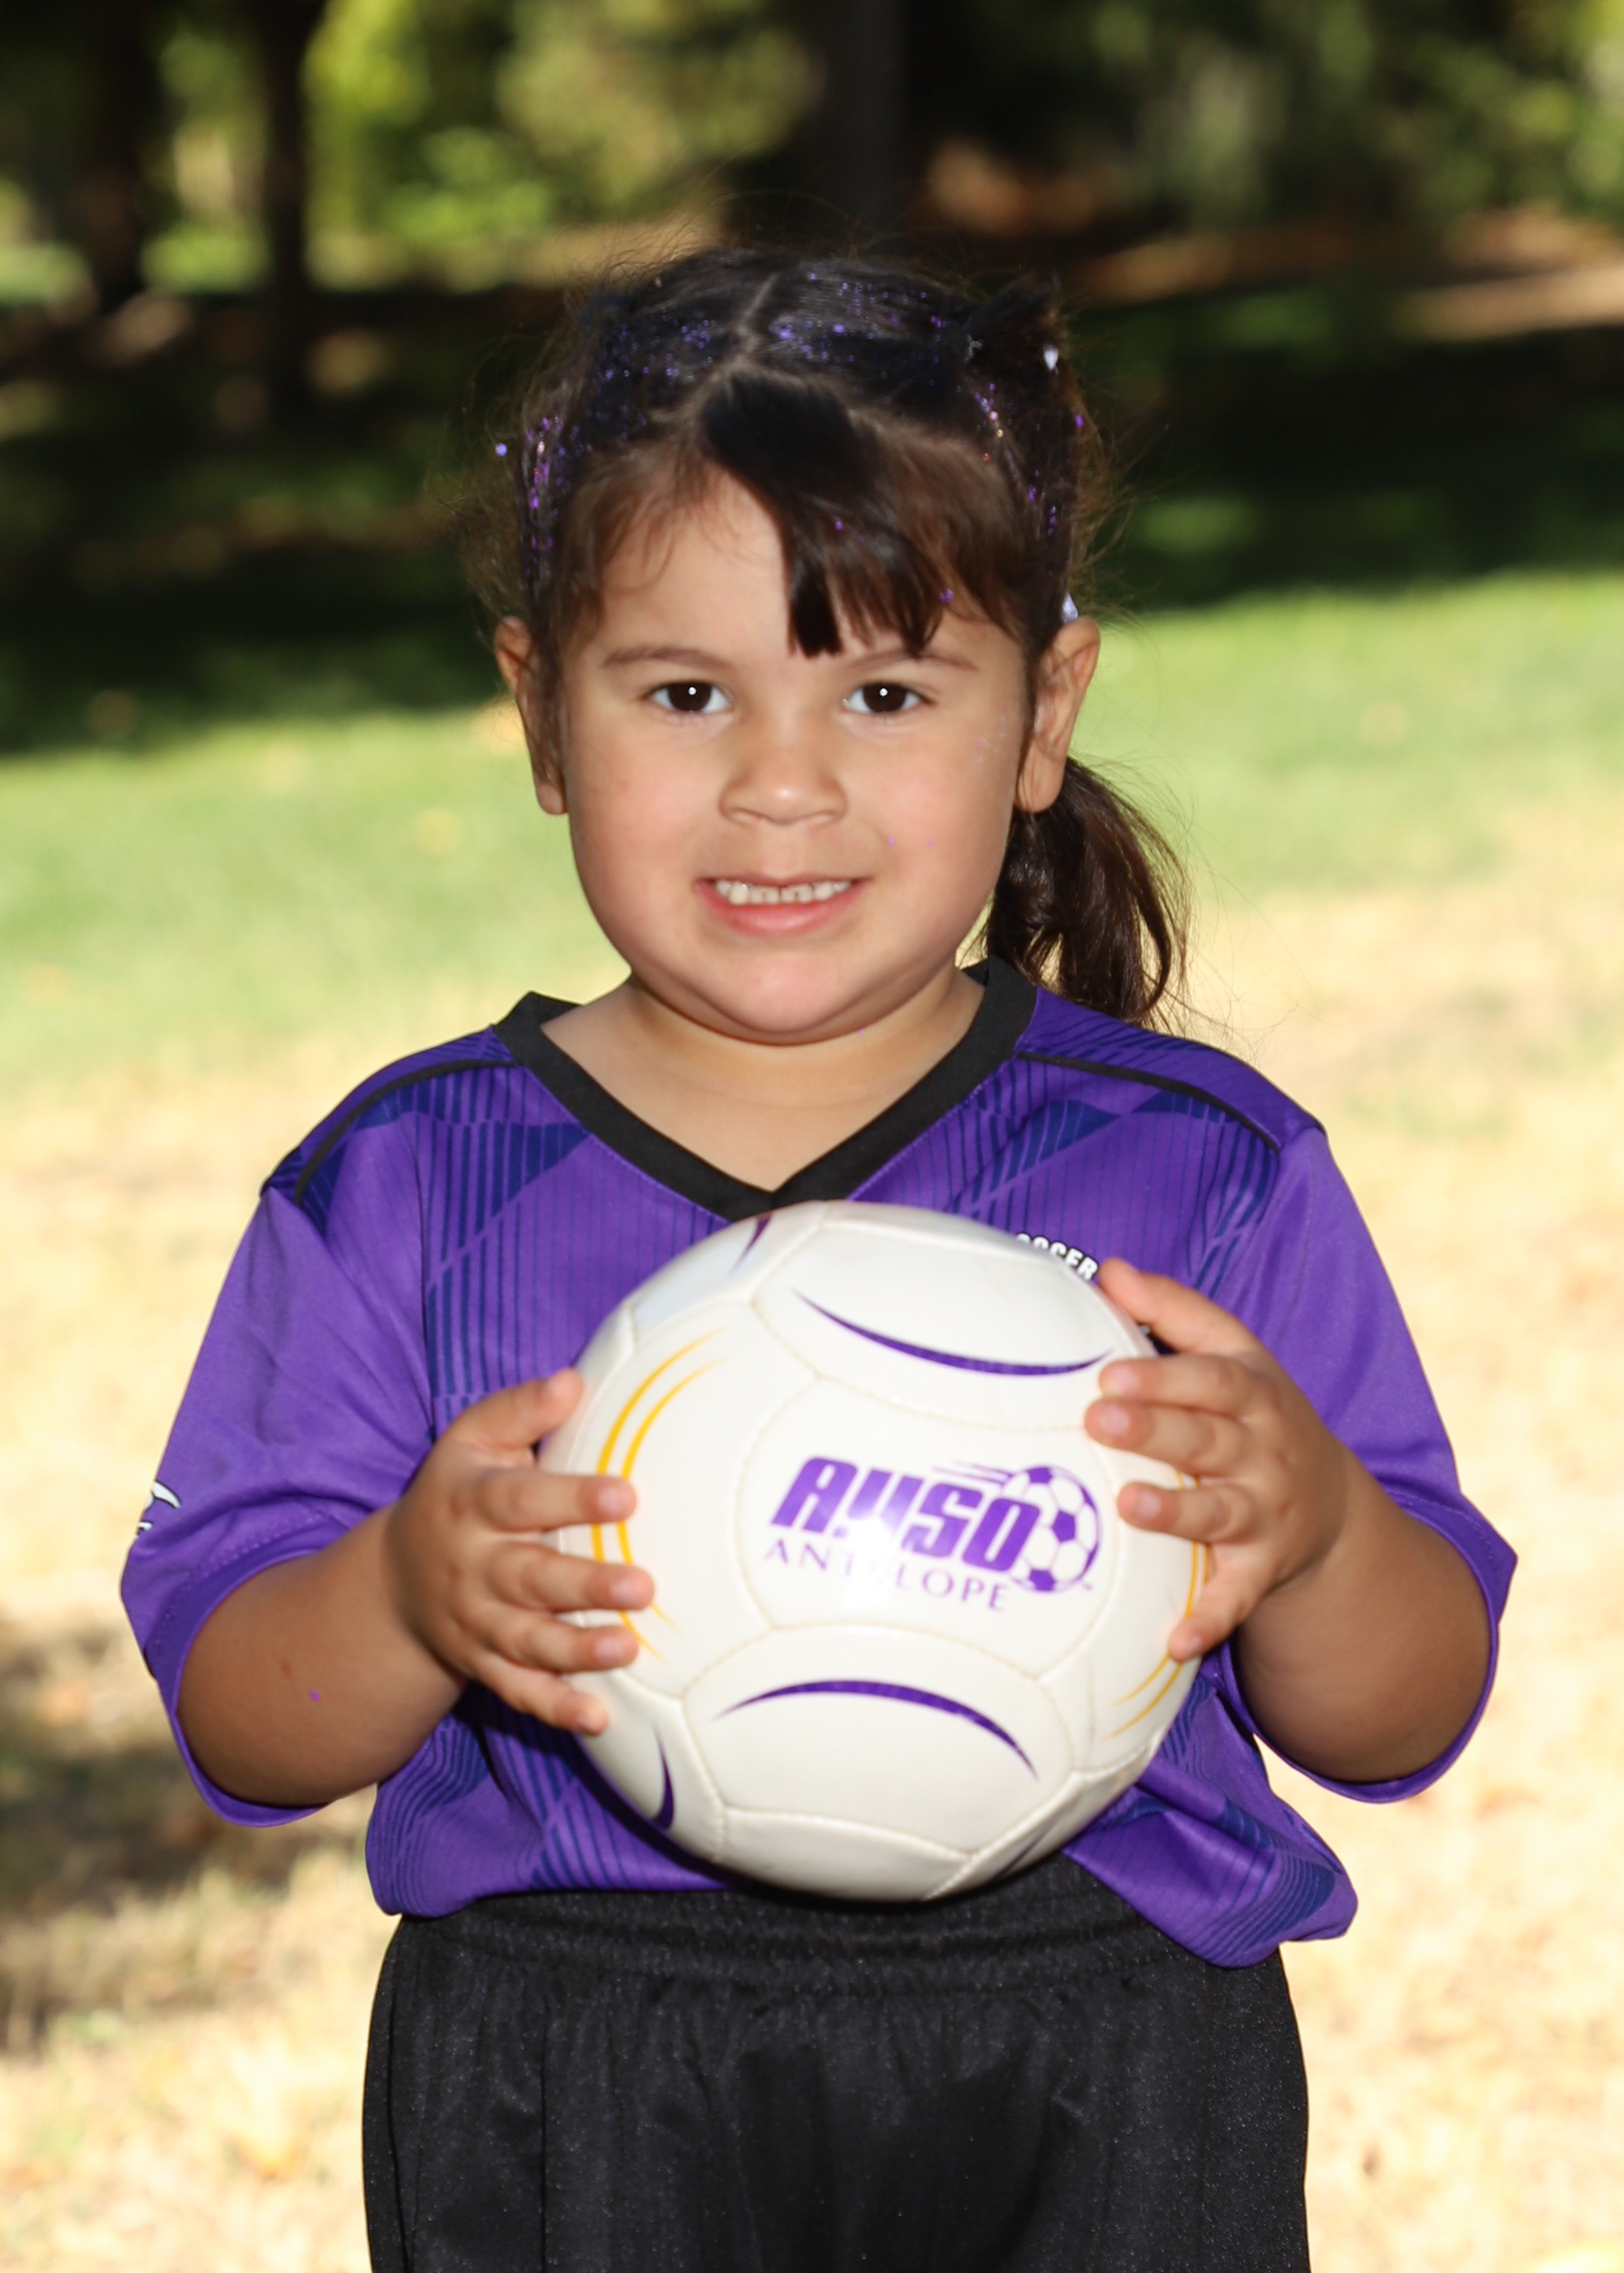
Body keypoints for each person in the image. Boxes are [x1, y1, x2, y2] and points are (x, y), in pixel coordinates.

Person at [123, 248, 1512, 2273]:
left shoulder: (1201, 1172)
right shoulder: (405, 1181)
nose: (781, 783)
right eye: (685, 693)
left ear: (1041, 713)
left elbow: (1406, 1709)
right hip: (580, 2062)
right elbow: (242, 1712)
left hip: (1102, 2056)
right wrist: (408, 1592)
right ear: (539, 713)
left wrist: (1306, 1530)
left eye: (884, 691)